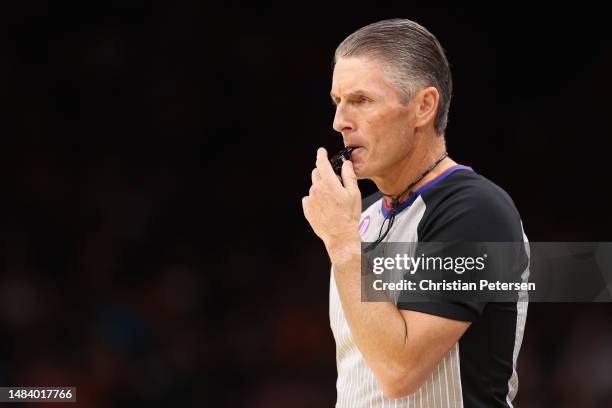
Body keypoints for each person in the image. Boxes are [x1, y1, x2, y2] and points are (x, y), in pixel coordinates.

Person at [302, 19, 529, 407]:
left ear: (424, 106)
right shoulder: (363, 215)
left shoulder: (476, 210)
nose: (339, 122)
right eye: (337, 102)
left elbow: (398, 372)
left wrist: (342, 245)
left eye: (361, 100)